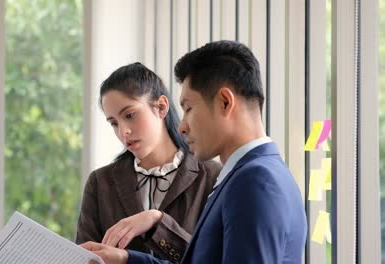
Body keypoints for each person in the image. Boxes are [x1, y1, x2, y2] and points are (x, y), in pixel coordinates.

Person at [81, 40, 308, 264]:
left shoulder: (255, 180)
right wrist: (126, 260)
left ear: (225, 102)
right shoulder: (254, 175)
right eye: (113, 122)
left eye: (188, 108)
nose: (182, 126)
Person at [76, 62, 221, 262]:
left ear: (161, 107)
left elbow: (213, 258)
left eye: (130, 115)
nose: (123, 132)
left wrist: (159, 223)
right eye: (114, 123)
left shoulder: (213, 177)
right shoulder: (100, 182)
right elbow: (84, 257)